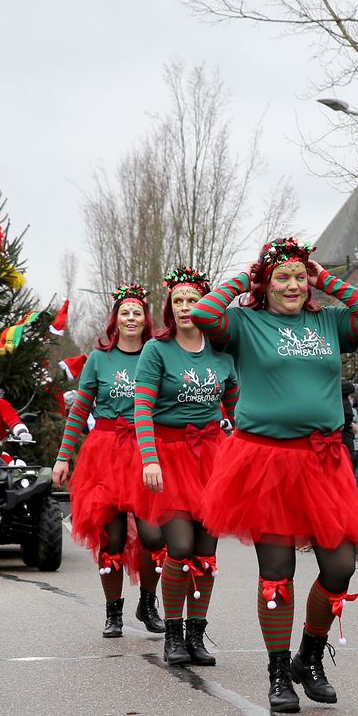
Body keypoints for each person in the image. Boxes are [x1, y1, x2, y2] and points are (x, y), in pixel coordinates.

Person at [190, 238, 358, 712]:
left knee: (339, 567)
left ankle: (309, 656)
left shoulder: (329, 322)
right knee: (277, 573)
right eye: (283, 277)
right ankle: (279, 673)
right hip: (266, 462)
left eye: (300, 277)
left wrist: (326, 279)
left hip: (322, 461)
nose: (294, 285)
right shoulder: (244, 323)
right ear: (266, 283)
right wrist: (249, 276)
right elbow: (202, 314)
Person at [132, 265, 238, 666]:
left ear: (207, 305)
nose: (184, 306)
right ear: (169, 307)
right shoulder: (156, 351)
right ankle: (172, 635)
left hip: (212, 457)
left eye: (193, 299)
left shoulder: (222, 353)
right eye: (177, 300)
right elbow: (142, 409)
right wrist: (150, 458)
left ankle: (196, 635)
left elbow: (238, 410)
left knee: (206, 551)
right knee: (179, 546)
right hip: (169, 455)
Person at [53, 285, 167, 640]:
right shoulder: (99, 359)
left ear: (146, 319)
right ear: (115, 319)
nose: (131, 318)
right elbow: (79, 411)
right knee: (112, 538)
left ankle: (147, 602)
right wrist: (63, 457)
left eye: (137, 313)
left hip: (146, 452)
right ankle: (113, 612)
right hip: (104, 454)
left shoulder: (157, 354)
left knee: (153, 536)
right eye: (124, 312)